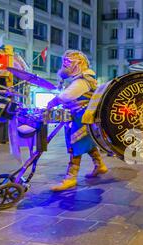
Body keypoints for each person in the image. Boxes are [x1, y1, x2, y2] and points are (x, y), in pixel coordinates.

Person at [47, 50, 108, 191]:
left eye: (68, 63)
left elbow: (67, 96)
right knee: (87, 143)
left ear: (78, 64)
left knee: (75, 145)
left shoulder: (83, 80)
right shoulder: (83, 79)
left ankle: (70, 178)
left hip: (82, 117)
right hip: (81, 116)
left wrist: (53, 102)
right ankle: (100, 165)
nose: (66, 66)